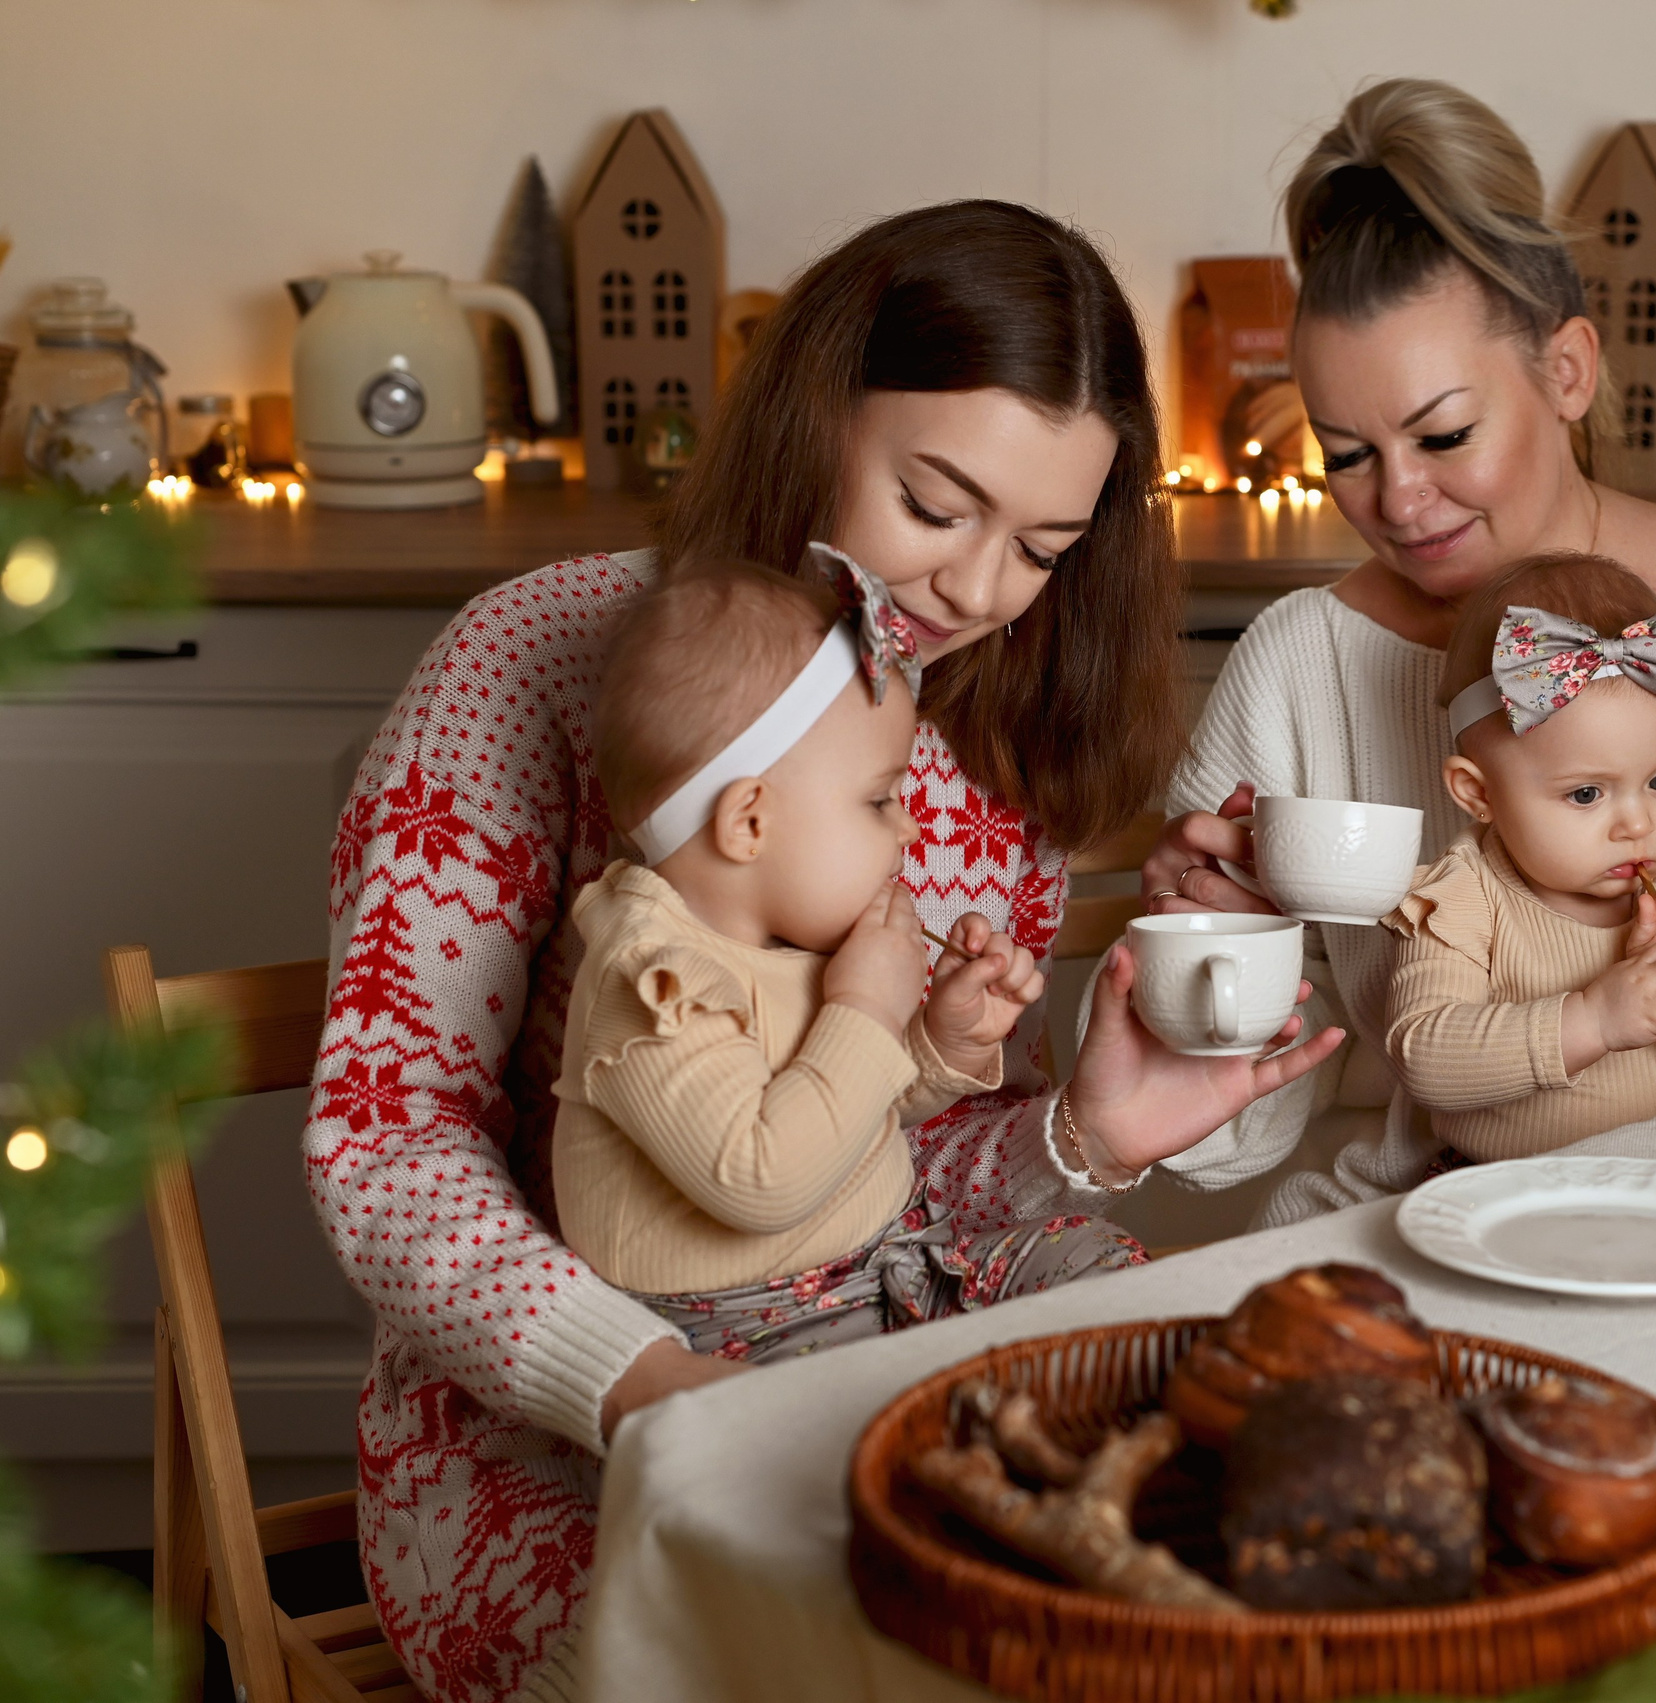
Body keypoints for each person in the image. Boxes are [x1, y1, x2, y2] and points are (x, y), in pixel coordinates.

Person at [305, 201, 1340, 1703]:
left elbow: (893, 1164)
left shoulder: (985, 724)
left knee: (1188, 1555)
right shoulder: (530, 657)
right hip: (556, 1418)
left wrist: (1084, 1133)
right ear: (818, 416)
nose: (977, 590)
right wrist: (647, 1385)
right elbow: (388, 1140)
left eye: (1041, 547)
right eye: (935, 503)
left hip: (871, 1346)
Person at [1142, 79, 1656, 1229]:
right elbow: (1221, 1141)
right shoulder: (1298, 663)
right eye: (1345, 453)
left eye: (1445, 434)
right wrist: (1210, 962)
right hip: (1406, 1228)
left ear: (1568, 371)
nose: (1397, 499)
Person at [558, 553, 1167, 1361]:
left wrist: (938, 1043)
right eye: (880, 799)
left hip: (887, 1269)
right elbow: (765, 1177)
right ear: (748, 822)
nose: (908, 827)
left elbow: (843, 1118)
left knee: (1101, 1268)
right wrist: (866, 1009)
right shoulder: (653, 984)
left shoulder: (787, 938)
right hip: (748, 1339)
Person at [1381, 552, 1656, 1162]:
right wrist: (1595, 1020)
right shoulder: (1464, 897)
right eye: (1586, 794)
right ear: (1479, 794)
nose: (1638, 824)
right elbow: (1424, 1058)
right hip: (1518, 1186)